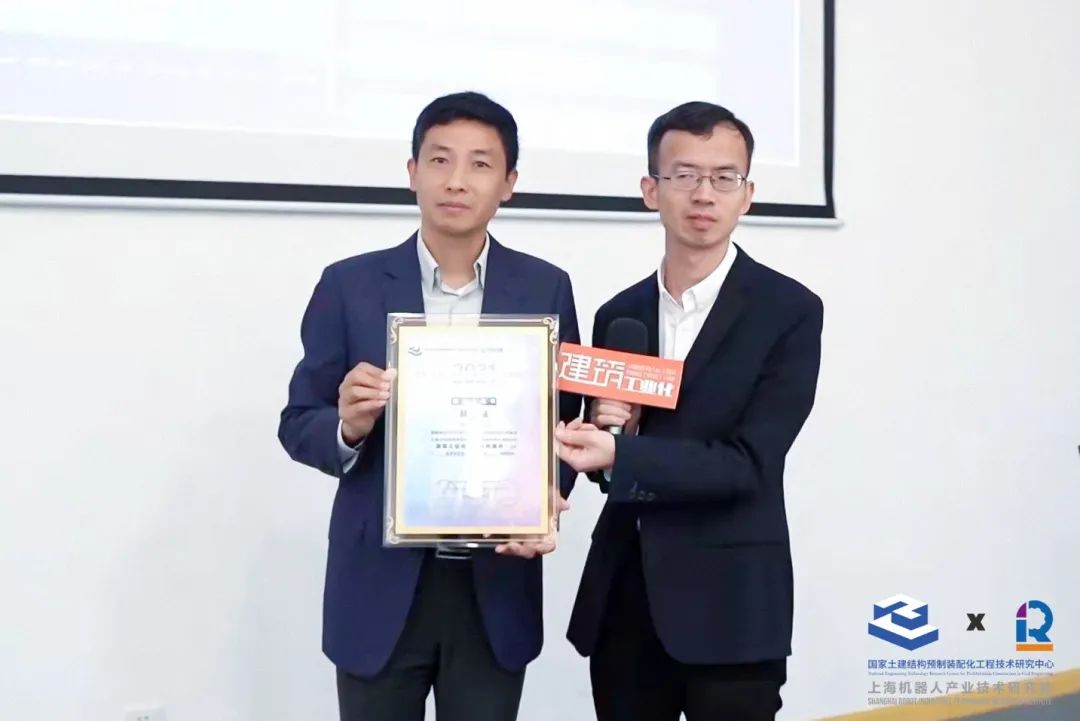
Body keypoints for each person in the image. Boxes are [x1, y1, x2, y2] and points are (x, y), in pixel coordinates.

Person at [278, 91, 582, 721]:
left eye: (480, 164)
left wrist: (544, 495)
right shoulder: (350, 285)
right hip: (379, 586)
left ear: (509, 183)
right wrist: (348, 426)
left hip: (495, 586)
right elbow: (298, 422)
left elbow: (561, 423)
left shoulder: (545, 287)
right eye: (440, 160)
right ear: (413, 171)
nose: (456, 181)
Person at [554, 101, 823, 721]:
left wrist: (622, 454)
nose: (704, 193)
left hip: (732, 607)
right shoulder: (620, 314)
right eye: (684, 175)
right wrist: (600, 450)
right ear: (651, 190)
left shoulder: (789, 311)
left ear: (747, 194)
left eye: (724, 177)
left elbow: (748, 464)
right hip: (627, 602)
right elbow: (608, 462)